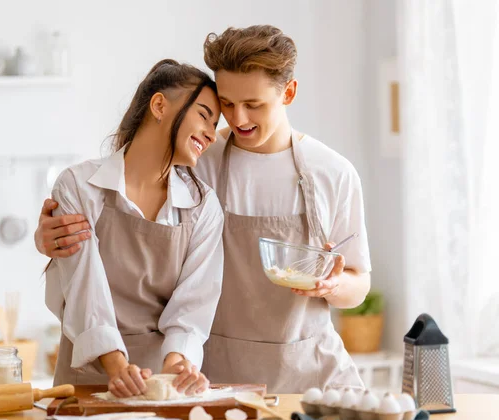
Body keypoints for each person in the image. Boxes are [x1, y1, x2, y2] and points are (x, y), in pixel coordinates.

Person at [37, 26, 371, 393]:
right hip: (218, 373)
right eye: (226, 104)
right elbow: (128, 196)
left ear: (288, 92)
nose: (237, 119)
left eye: (254, 105)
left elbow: (358, 286)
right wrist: (49, 239)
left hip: (311, 373)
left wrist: (333, 284)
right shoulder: (197, 162)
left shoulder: (333, 173)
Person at [44, 59, 223, 398]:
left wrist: (177, 366)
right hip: (88, 376)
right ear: (159, 105)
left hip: (160, 384)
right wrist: (116, 368)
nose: (212, 134)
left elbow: (193, 305)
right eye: (203, 115)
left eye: (216, 124)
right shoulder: (80, 186)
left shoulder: (203, 207)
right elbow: (84, 288)